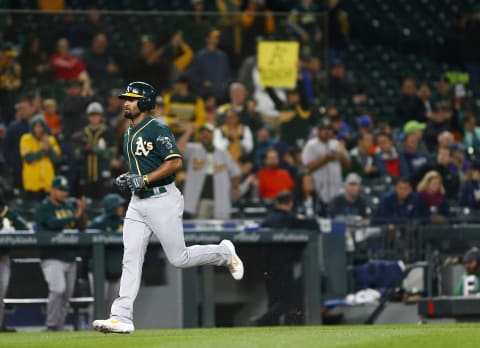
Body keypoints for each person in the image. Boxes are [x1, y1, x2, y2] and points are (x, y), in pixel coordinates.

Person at [92, 82, 244, 334]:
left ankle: (224, 254)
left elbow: (174, 163)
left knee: (179, 258)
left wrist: (145, 179)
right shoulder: (128, 133)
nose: (125, 102)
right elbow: (141, 170)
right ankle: (121, 316)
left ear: (145, 102)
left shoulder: (157, 127)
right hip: (138, 202)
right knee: (130, 258)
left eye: (131, 98)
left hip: (162, 199)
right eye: (125, 98)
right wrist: (128, 177)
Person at [255, 191, 318, 326]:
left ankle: (271, 325)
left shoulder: (267, 220)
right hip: (284, 265)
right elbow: (314, 225)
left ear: (277, 202)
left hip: (267, 266)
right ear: (290, 204)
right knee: (286, 300)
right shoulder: (290, 219)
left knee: (274, 298)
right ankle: (263, 321)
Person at [34, 175, 87, 331]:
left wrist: (81, 212)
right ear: (52, 190)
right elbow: (52, 224)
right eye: (60, 190)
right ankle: (51, 325)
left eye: (65, 190)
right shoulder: (44, 207)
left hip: (69, 256)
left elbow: (82, 227)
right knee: (58, 290)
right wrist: (75, 215)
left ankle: (59, 326)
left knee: (66, 296)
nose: (64, 193)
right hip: (52, 256)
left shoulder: (68, 206)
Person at [178, 123, 241, 219]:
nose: (205, 135)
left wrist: (236, 187)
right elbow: (178, 150)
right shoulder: (193, 149)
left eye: (208, 132)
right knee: (200, 230)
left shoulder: (223, 152)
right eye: (203, 133)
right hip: (200, 201)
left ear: (213, 135)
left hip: (221, 200)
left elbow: (235, 171)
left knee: (222, 230)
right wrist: (188, 132)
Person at [89, 193, 126, 315]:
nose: (122, 208)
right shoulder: (99, 223)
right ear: (112, 207)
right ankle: (94, 329)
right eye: (119, 206)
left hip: (117, 270)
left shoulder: (125, 223)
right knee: (99, 304)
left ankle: (113, 330)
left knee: (115, 305)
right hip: (100, 272)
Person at [301, 118, 350, 205]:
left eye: (329, 129)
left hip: (336, 188)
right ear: (318, 130)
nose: (327, 132)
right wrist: (327, 158)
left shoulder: (336, 144)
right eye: (324, 129)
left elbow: (347, 165)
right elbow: (307, 167)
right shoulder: (311, 145)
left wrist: (341, 155)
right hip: (318, 189)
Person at [73, 102, 117, 199]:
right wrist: (82, 150)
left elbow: (111, 154)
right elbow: (76, 155)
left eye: (96, 115)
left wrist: (94, 148)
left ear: (101, 116)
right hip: (86, 175)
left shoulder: (107, 133)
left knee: (103, 203)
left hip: (102, 175)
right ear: (87, 117)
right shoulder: (82, 133)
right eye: (91, 115)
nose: (94, 118)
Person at [0, 190, 29, 333]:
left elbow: (26, 228)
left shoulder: (7, 212)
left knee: (1, 294)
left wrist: (11, 230)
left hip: (3, 258)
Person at [20, 114, 61, 201]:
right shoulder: (26, 139)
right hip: (32, 184)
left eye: (41, 126)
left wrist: (49, 148)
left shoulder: (51, 140)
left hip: (48, 184)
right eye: (36, 126)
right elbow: (28, 158)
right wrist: (43, 150)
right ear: (32, 128)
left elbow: (56, 160)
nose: (38, 129)